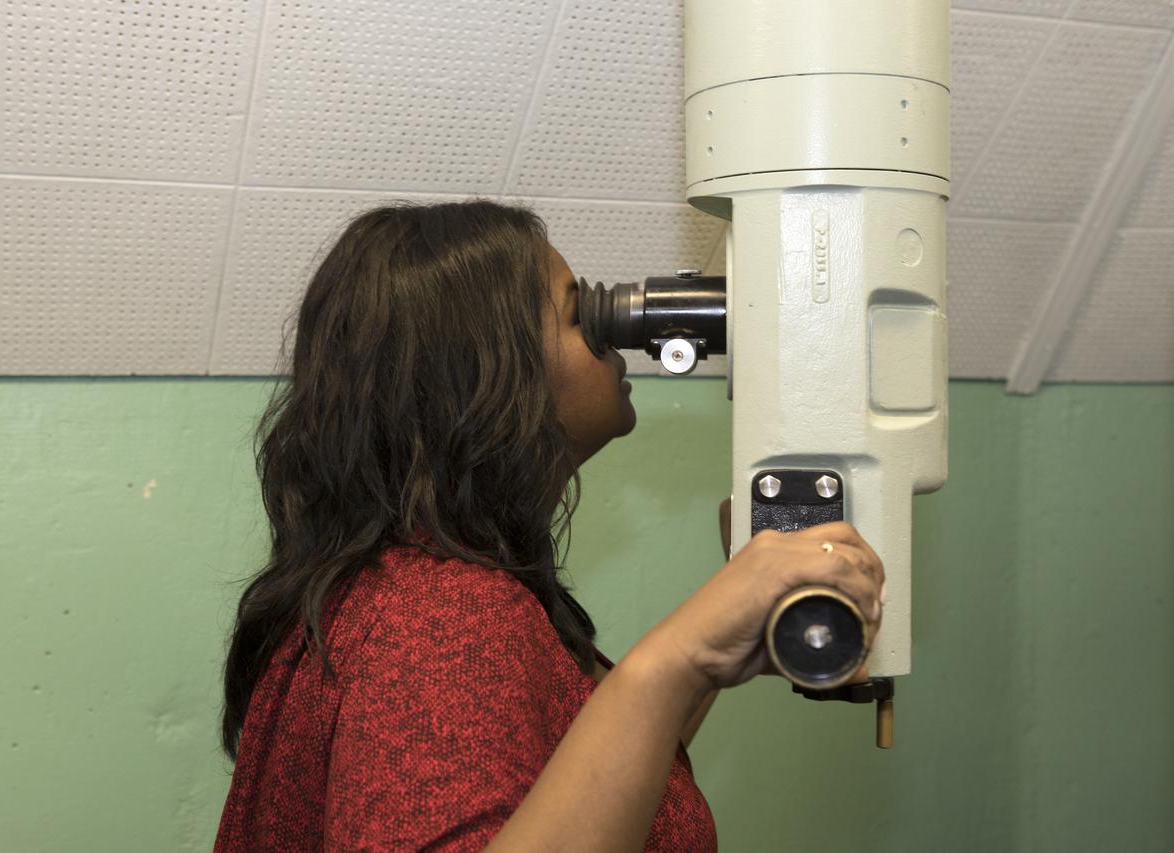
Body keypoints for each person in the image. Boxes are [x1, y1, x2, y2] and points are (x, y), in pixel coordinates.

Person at [213, 200, 884, 851]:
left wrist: (713, 654)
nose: (617, 332)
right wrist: (678, 655)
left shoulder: (423, 585)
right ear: (486, 373)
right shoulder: (437, 615)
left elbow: (562, 791)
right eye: (578, 312)